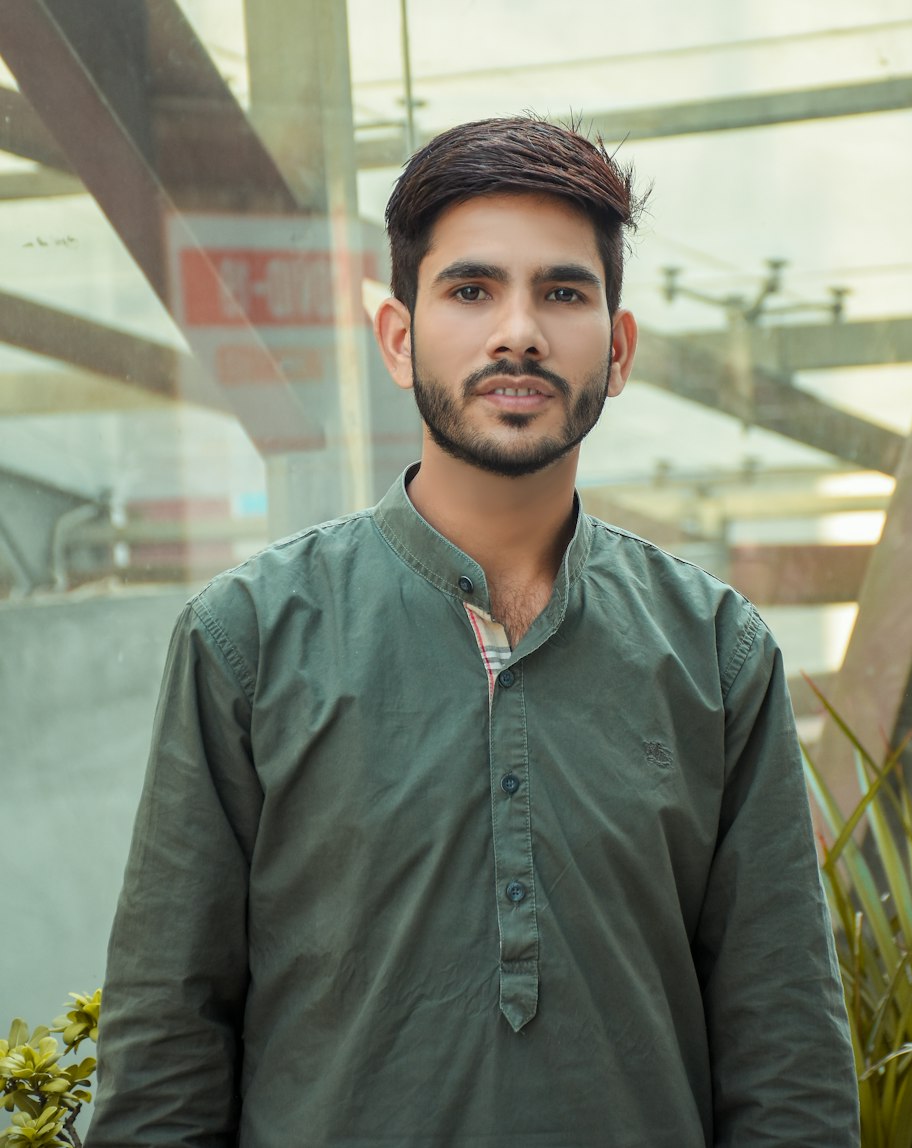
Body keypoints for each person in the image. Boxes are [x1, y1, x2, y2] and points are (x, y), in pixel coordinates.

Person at [88, 116, 860, 1146]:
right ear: (399, 337)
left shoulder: (715, 652)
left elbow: (787, 1050)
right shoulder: (248, 639)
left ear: (617, 348)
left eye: (563, 291)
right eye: (469, 288)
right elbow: (165, 1046)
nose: (518, 332)